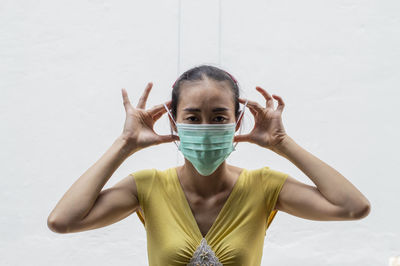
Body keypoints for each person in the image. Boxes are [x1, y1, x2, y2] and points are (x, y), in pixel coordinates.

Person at [47, 64, 371, 265]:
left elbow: (353, 207)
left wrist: (282, 144)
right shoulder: (146, 187)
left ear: (237, 122)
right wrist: (124, 144)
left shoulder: (265, 186)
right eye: (192, 117)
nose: (205, 128)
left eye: (218, 117)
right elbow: (62, 221)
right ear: (174, 123)